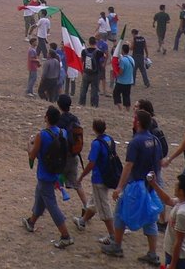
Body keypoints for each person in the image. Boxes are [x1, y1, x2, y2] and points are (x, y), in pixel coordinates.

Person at [101, 109, 163, 264]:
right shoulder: (155, 140)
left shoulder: (136, 142)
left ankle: (117, 246)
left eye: (134, 119)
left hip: (135, 185)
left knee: (120, 214)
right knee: (150, 218)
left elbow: (129, 165)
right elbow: (159, 163)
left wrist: (119, 187)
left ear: (138, 123)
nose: (132, 121)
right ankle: (152, 253)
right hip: (150, 185)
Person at [22, 105, 74, 248]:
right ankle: (31, 222)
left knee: (51, 204)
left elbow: (32, 155)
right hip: (56, 172)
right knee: (40, 196)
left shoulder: (42, 134)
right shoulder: (62, 132)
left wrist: (29, 145)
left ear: (46, 118)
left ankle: (65, 236)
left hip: (45, 173)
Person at [73, 118, 117, 243]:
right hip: (109, 175)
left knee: (103, 206)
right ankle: (82, 221)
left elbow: (91, 163)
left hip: (99, 178)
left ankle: (112, 235)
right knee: (93, 202)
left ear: (93, 128)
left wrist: (81, 177)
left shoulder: (96, 143)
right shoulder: (109, 139)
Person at [148, 173, 185, 269]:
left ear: (181, 191)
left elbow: (179, 241)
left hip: (179, 258)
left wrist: (173, 264)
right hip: (179, 256)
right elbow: (168, 200)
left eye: (176, 186)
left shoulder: (183, 213)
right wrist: (154, 184)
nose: (174, 187)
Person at [112, 43, 135, 110]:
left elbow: (121, 72)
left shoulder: (123, 60)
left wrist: (116, 72)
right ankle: (127, 110)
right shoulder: (132, 59)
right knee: (126, 96)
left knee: (116, 94)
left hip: (121, 82)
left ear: (122, 50)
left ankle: (120, 108)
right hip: (129, 81)